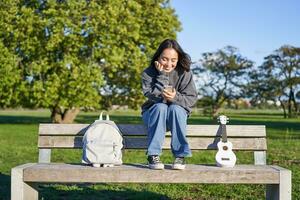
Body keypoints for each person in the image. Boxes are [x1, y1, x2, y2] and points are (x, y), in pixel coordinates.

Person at [141, 39, 197, 170]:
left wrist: (175, 97)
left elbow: (191, 98)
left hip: (176, 116)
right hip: (154, 115)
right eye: (164, 59)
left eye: (173, 60)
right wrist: (162, 75)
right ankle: (153, 155)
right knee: (161, 106)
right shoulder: (148, 73)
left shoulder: (185, 73)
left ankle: (180, 156)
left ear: (178, 59)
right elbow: (153, 96)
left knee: (176, 109)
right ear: (158, 57)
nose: (168, 64)